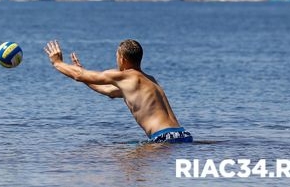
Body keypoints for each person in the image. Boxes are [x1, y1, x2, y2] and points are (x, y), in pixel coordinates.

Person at [44, 39, 192, 143]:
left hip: (164, 137)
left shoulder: (125, 77)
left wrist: (57, 63)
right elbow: (107, 90)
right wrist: (85, 76)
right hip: (182, 134)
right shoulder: (148, 80)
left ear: (122, 59)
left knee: (128, 170)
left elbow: (78, 75)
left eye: (117, 56)